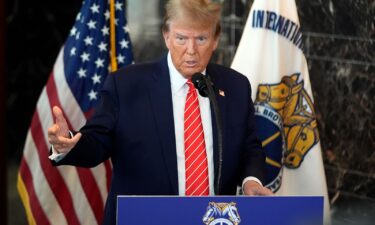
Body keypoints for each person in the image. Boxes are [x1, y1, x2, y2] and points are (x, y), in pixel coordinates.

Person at [48, 0, 272, 224]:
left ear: (215, 39)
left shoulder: (235, 86)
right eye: (181, 38)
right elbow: (97, 142)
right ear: (166, 36)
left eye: (201, 39)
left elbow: (249, 147)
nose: (191, 50)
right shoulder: (126, 86)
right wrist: (68, 142)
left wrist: (250, 181)